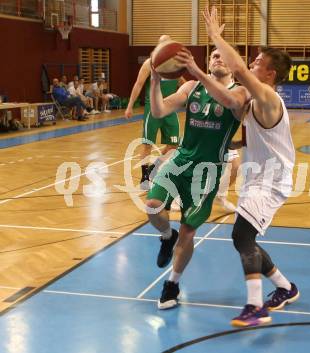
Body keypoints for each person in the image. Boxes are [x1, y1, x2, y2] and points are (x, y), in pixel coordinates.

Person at [203, 6, 299, 327]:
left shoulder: (269, 97)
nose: (252, 64)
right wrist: (199, 74)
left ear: (270, 74)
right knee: (246, 240)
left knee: (242, 237)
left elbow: (240, 73)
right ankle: (285, 287)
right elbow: (229, 98)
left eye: (258, 63)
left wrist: (216, 36)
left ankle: (255, 307)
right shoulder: (252, 99)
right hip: (256, 178)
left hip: (270, 181)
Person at [147, 45, 249, 309]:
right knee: (153, 208)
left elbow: (231, 104)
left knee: (188, 232)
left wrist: (195, 70)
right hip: (180, 160)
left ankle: (172, 283)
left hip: (208, 170)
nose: (218, 59)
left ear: (234, 64)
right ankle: (166, 235)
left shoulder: (241, 90)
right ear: (208, 61)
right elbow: (158, 111)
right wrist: (156, 82)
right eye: (214, 55)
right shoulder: (191, 88)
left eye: (224, 56)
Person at [125, 35, 183, 190]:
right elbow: (138, 84)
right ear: (158, 47)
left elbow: (183, 83)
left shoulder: (176, 64)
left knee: (173, 145)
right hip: (153, 110)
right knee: (147, 145)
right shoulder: (149, 63)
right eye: (163, 44)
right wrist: (130, 105)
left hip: (170, 109)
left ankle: (153, 169)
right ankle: (144, 178)